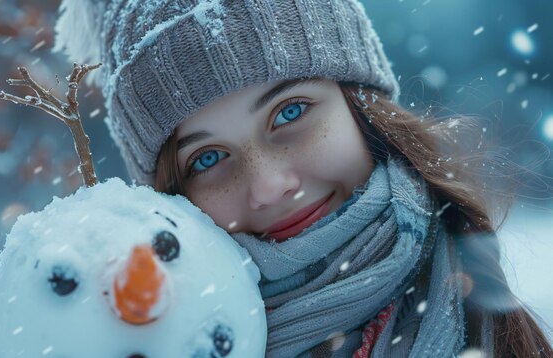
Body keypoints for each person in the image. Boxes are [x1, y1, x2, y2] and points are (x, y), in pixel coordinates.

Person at [54, 0, 553, 356]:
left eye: (290, 111)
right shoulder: (150, 342)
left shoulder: (492, 322)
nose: (270, 185)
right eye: (206, 159)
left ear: (361, 109)